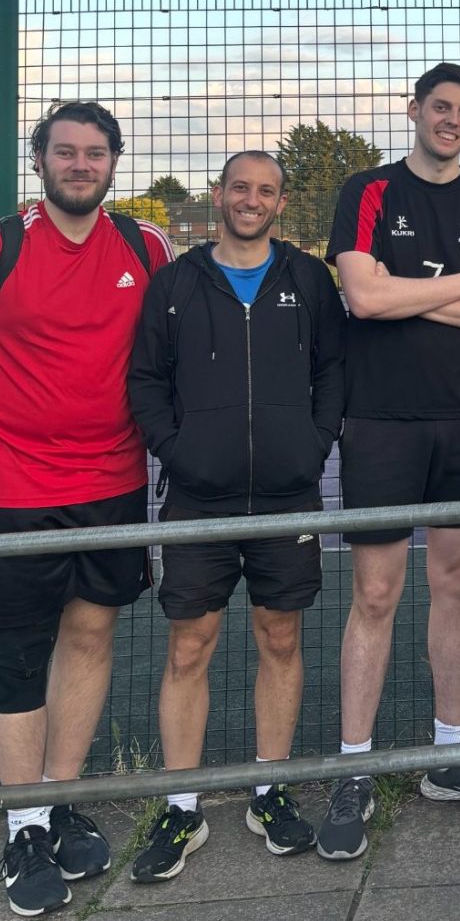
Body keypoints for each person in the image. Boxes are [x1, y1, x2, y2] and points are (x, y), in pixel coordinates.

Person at [0, 101, 173, 916]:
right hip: (8, 492)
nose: (81, 165)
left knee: (90, 635)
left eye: (96, 153)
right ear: (38, 159)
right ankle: (21, 827)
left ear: (115, 163)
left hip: (111, 484)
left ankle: (60, 798)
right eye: (65, 152)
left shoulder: (145, 246)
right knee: (17, 654)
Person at [320, 63, 460, 860]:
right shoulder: (368, 192)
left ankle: (450, 759)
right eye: (439, 107)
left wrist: (418, 287)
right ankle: (354, 770)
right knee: (376, 593)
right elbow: (363, 300)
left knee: (458, 582)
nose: (451, 121)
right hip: (379, 421)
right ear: (414, 111)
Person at [127, 150, 345, 881]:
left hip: (287, 495)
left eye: (267, 191)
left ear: (282, 203)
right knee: (189, 648)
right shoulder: (175, 284)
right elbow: (147, 380)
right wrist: (179, 452)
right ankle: (181, 804)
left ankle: (267, 790)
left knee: (279, 639)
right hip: (198, 497)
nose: (252, 201)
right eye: (240, 188)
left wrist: (312, 446)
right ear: (217, 194)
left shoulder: (310, 280)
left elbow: (332, 372)